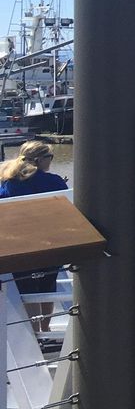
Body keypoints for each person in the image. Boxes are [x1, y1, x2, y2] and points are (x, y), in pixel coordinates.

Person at [0, 141, 70, 331]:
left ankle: (33, 331)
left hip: (18, 246)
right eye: (50, 157)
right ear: (40, 160)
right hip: (49, 244)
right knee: (48, 284)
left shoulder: (8, 183)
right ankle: (45, 327)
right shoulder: (53, 181)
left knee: (26, 290)